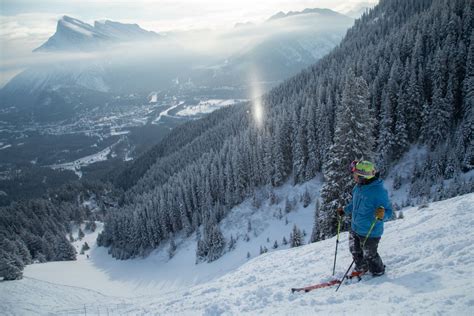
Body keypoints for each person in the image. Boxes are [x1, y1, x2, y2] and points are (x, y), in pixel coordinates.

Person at [337, 160, 392, 276]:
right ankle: (362, 267)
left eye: (356, 175)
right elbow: (354, 204)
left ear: (363, 177)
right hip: (355, 227)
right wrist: (345, 210)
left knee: (370, 254)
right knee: (355, 251)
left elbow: (388, 211)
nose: (353, 177)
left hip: (370, 231)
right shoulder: (358, 187)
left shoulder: (379, 192)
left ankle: (378, 271)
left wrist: (382, 215)